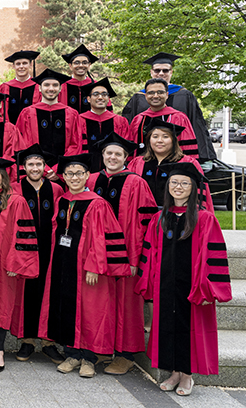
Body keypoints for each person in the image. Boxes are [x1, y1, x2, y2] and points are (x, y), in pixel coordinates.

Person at [136, 162, 232, 396]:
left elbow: (213, 256)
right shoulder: (159, 218)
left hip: (192, 287)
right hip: (165, 285)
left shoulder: (205, 219)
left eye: (184, 183)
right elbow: (150, 253)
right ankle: (174, 373)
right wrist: (148, 282)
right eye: (174, 182)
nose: (178, 187)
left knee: (188, 329)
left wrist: (210, 289)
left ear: (193, 188)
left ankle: (187, 376)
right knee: (167, 326)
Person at [41, 153, 132, 378]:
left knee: (91, 311)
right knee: (68, 308)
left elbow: (101, 237)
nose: (74, 178)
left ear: (87, 176)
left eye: (79, 173)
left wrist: (94, 266)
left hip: (88, 268)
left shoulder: (97, 203)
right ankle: (72, 354)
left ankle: (90, 359)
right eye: (69, 174)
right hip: (64, 263)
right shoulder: (62, 199)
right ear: (63, 176)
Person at [86, 132, 158, 375]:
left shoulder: (137, 183)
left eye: (118, 154)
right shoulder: (91, 180)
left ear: (126, 157)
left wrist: (136, 258)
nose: (113, 157)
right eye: (109, 153)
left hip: (126, 255)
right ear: (103, 156)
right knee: (99, 303)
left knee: (127, 305)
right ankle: (100, 348)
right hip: (96, 254)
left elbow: (145, 224)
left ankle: (126, 354)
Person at [0, 157, 38, 372]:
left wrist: (15, 263)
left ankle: (0, 351)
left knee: (0, 302)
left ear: (5, 176)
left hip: (3, 262)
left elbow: (22, 235)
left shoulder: (16, 200)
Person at [11, 144, 66, 364]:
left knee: (48, 293)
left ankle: (48, 342)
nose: (35, 168)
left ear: (45, 166)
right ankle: (27, 340)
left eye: (39, 164)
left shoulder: (56, 189)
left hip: (49, 250)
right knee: (27, 293)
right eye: (31, 164)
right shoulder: (15, 188)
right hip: (24, 250)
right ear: (23, 166)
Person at [121, 52, 216, 161]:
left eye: (165, 70)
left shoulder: (185, 95)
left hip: (176, 158)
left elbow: (196, 124)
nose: (161, 73)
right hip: (144, 157)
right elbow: (130, 128)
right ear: (151, 72)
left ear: (171, 72)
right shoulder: (138, 97)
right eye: (157, 70)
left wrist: (201, 156)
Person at [127, 118, 214, 211]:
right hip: (142, 220)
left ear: (173, 140)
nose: (159, 140)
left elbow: (200, 196)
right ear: (149, 140)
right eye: (155, 136)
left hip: (177, 219)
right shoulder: (136, 163)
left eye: (165, 136)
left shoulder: (187, 163)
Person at [17, 69, 81, 161]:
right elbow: (21, 142)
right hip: (35, 168)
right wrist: (42, 167)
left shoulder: (72, 114)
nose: (51, 89)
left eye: (55, 85)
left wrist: (60, 166)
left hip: (64, 170)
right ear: (39, 88)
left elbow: (76, 144)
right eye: (46, 85)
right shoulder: (27, 113)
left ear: (60, 88)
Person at [128, 78, 199, 159]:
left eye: (160, 92)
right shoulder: (138, 119)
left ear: (167, 95)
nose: (155, 96)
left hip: (172, 167)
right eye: (151, 93)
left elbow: (188, 149)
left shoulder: (179, 117)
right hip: (142, 167)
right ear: (145, 96)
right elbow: (131, 149)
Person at [78, 78, 129, 170]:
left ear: (108, 98)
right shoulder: (78, 120)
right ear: (88, 99)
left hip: (114, 170)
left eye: (104, 94)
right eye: (96, 94)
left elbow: (126, 148)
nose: (100, 97)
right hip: (85, 170)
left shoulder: (120, 121)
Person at [58, 45, 107, 114]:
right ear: (70, 66)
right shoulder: (62, 86)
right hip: (67, 123)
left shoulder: (96, 86)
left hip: (91, 123)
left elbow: (106, 112)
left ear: (89, 65)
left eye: (84, 62)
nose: (81, 65)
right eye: (77, 63)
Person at [0, 50, 41, 125]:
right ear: (13, 66)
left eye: (24, 63)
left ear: (30, 65)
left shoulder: (38, 86)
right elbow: (1, 111)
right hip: (9, 130)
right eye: (18, 64)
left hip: (31, 129)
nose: (21, 66)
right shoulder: (5, 87)